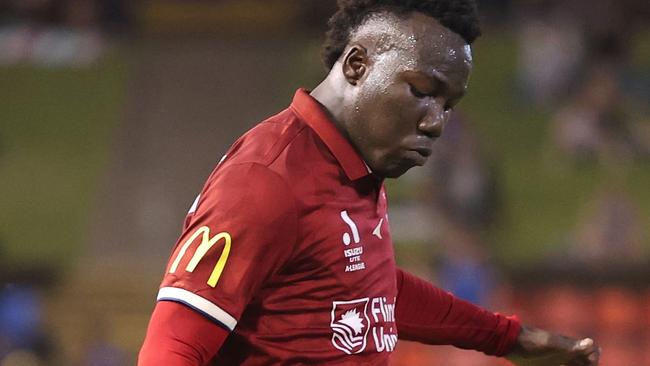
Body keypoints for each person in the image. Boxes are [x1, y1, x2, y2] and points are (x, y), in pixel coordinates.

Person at [139, 1, 600, 365]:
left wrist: (508, 338)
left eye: (449, 104)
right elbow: (170, 349)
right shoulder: (267, 181)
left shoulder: (352, 167)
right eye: (422, 91)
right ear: (357, 65)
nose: (437, 122)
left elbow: (365, 289)